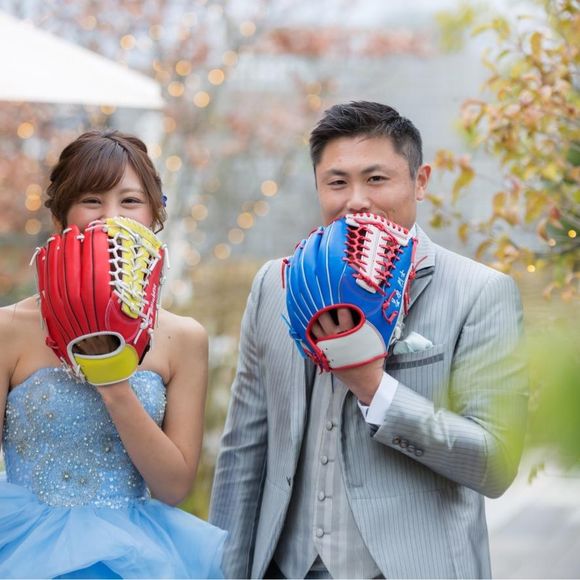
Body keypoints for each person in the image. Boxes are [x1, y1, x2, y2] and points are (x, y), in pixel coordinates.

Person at [209, 101, 528, 579]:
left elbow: (496, 463)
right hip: (284, 567)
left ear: (420, 181)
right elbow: (243, 452)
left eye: (376, 179)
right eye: (337, 182)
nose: (356, 200)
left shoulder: (480, 292)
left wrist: (375, 390)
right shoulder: (274, 284)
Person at [0, 130, 226, 578]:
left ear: (153, 214)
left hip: (137, 558)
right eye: (91, 200)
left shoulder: (183, 337)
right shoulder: (8, 328)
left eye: (130, 201)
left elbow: (173, 487)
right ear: (61, 216)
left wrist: (114, 384)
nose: (110, 218)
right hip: (25, 550)